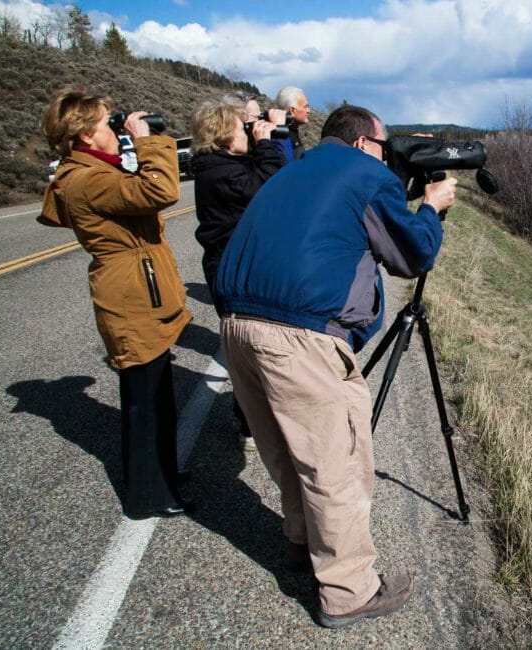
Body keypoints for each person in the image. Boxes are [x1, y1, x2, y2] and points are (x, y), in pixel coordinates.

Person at [213, 105, 456, 628]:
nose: (388, 160)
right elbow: (411, 256)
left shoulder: (295, 167)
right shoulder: (367, 173)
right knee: (335, 463)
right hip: (297, 336)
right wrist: (432, 208)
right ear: (367, 144)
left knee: (287, 450)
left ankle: (303, 544)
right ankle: (349, 591)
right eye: (385, 149)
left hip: (236, 325)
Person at [39, 85, 192, 519]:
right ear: (86, 135)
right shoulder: (88, 179)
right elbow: (161, 190)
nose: (115, 128)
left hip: (136, 288)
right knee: (145, 401)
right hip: (130, 295)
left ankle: (161, 475)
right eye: (108, 123)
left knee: (157, 393)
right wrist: (146, 140)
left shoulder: (90, 171)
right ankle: (148, 495)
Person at [190, 97, 287, 451]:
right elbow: (271, 185)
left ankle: (251, 418)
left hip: (235, 265)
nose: (247, 132)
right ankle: (250, 421)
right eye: (240, 128)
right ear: (226, 137)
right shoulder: (221, 172)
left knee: (249, 350)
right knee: (250, 350)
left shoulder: (220, 165)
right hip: (233, 271)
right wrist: (267, 142)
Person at [274, 85, 312, 160]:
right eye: (305, 107)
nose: (308, 111)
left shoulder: (283, 132)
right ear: (292, 110)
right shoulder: (283, 137)